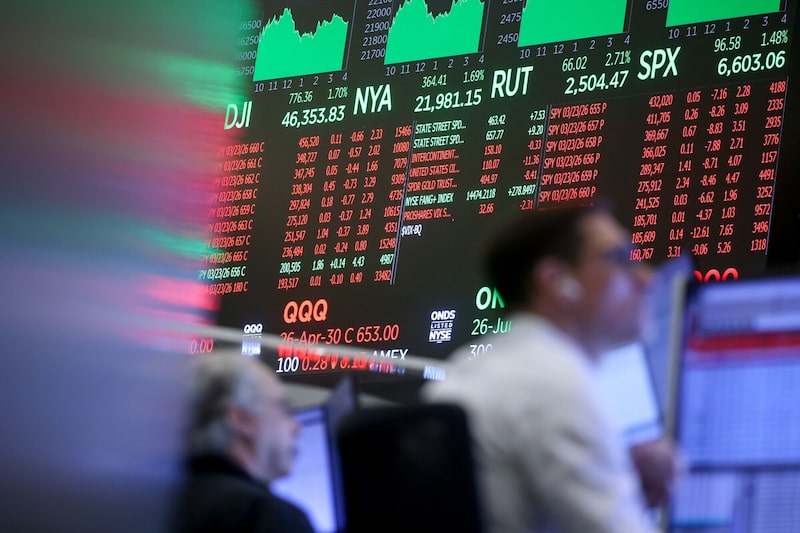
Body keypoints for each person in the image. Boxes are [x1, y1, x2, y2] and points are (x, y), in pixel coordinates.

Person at [422, 204, 677, 533]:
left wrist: (616, 477)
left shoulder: (481, 366)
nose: (647, 278)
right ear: (558, 282)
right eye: (621, 258)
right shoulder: (554, 383)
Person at [175, 353, 314, 533]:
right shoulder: (268, 516)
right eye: (284, 408)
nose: (296, 427)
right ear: (243, 420)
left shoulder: (160, 504)